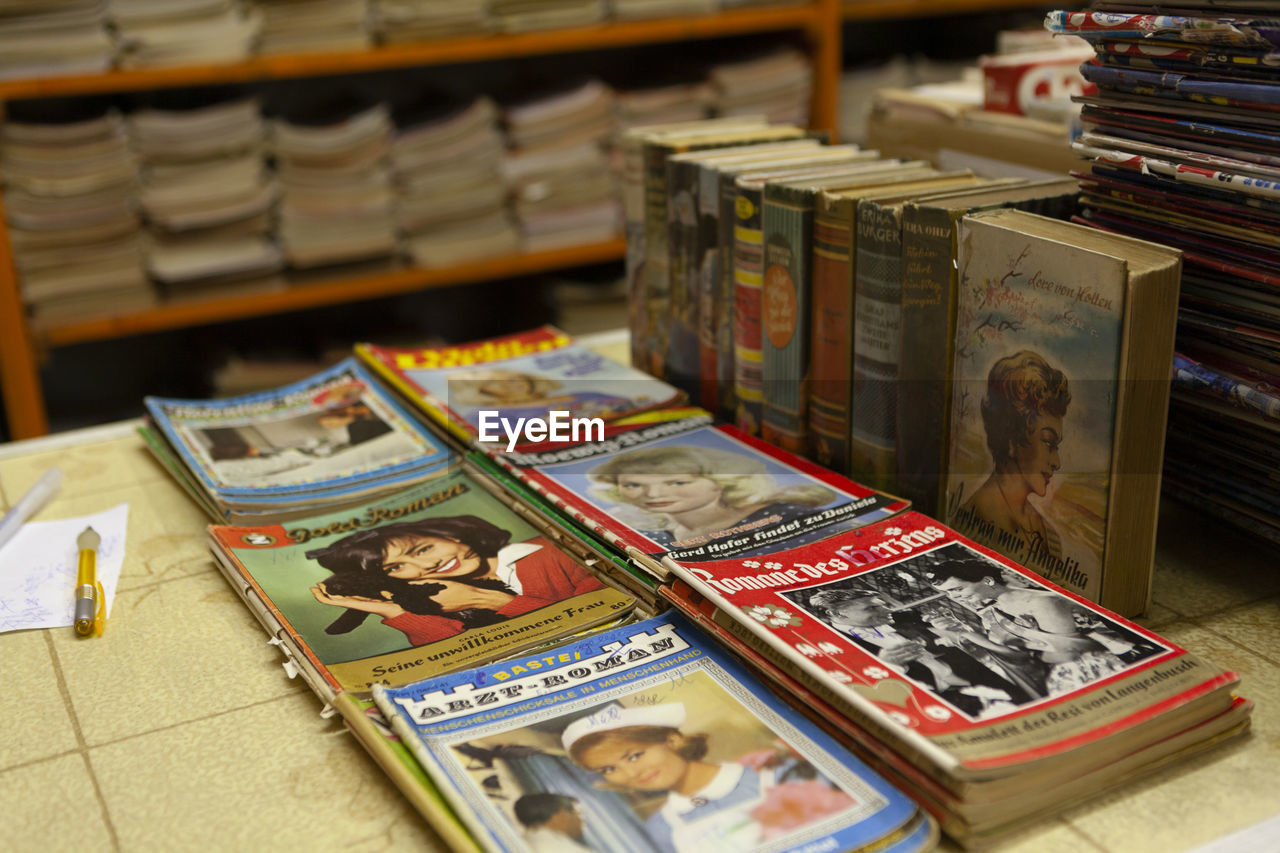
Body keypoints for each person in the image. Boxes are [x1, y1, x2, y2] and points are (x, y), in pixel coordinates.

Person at [563, 702, 852, 853]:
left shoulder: (781, 775)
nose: (630, 774)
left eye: (634, 755)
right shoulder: (661, 829)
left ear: (673, 740)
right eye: (608, 770)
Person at [306, 515, 607, 646]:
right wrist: (395, 613)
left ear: (451, 534)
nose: (426, 566)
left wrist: (484, 599)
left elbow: (596, 623)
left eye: (424, 549)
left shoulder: (556, 553)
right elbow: (457, 651)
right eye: (397, 568)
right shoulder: (434, 596)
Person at [806, 588, 1035, 716]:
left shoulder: (908, 620)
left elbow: (970, 646)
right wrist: (885, 665)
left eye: (881, 602)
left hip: (986, 683)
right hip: (935, 706)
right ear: (837, 615)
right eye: (872, 608)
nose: (886, 608)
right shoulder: (829, 644)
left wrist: (959, 634)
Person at [587, 445, 836, 547]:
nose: (653, 494)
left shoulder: (788, 515)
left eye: (678, 482)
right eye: (632, 485)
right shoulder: (650, 534)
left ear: (721, 481)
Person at [960, 350, 1071, 562]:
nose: (1057, 463)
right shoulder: (972, 521)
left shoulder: (1049, 537)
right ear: (1011, 437)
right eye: (1049, 443)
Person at [448, 368, 641, 424]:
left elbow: (637, 407)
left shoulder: (584, 394)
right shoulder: (484, 416)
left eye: (511, 377)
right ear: (482, 394)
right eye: (491, 383)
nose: (511, 382)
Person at [513, 793, 593, 853]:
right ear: (561, 815)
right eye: (578, 814)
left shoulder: (530, 836)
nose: (582, 822)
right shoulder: (559, 847)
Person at [315, 402, 393, 447]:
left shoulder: (352, 405)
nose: (334, 418)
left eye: (328, 416)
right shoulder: (357, 437)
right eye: (330, 421)